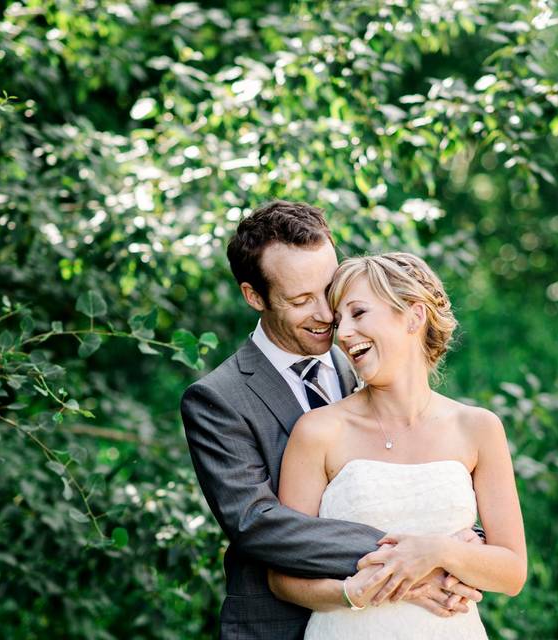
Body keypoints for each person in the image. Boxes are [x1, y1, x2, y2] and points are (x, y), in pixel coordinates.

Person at [180, 202, 485, 640]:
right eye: (301, 300)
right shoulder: (218, 399)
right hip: (277, 626)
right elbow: (257, 522)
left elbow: (410, 464)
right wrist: (410, 554)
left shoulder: (364, 355)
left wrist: (455, 539)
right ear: (255, 296)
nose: (327, 315)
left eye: (330, 289)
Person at [267, 252, 527, 639]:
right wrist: (354, 593)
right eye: (340, 322)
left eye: (358, 313)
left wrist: (438, 552)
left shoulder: (478, 428)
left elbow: (511, 572)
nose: (343, 333)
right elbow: (283, 577)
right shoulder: (318, 431)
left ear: (414, 316)